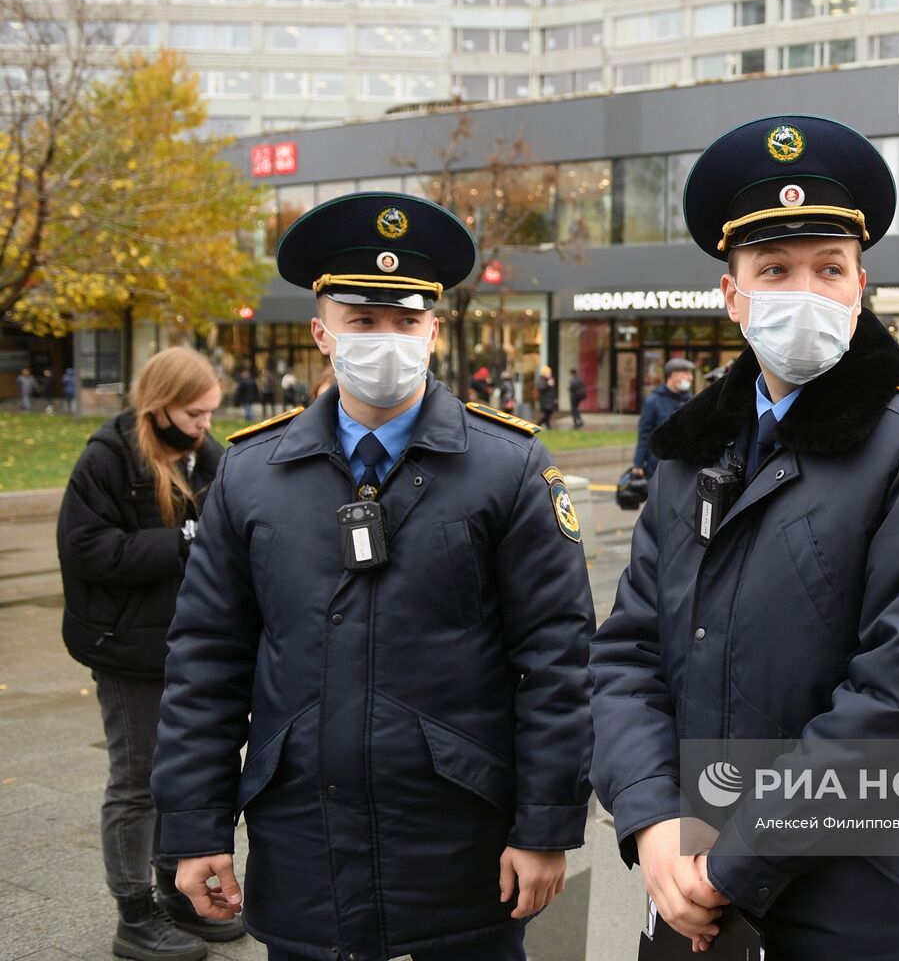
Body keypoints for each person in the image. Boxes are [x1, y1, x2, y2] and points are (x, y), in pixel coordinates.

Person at [589, 116, 899, 960]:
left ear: (861, 286)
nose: (805, 292)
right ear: (732, 293)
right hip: (692, 893)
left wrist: (735, 860)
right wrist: (653, 817)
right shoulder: (692, 451)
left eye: (829, 268)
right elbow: (628, 654)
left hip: (858, 904)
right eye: (774, 270)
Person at [151, 192, 595, 961]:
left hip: (462, 853)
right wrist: (195, 829)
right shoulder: (252, 474)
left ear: (434, 328)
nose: (385, 338)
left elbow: (557, 660)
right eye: (362, 320)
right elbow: (205, 664)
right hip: (303, 848)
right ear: (323, 331)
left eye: (405, 319)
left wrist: (546, 826)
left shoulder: (508, 465)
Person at [56, 346, 241, 960]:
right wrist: (178, 543)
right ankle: (132, 914)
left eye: (211, 412)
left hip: (187, 641)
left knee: (175, 776)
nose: (204, 425)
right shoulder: (108, 459)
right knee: (136, 783)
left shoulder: (209, 458)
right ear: (159, 407)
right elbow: (87, 548)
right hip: (127, 647)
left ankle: (172, 893)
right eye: (194, 414)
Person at [631, 358, 694, 480]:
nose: (690, 378)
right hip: (658, 467)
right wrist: (638, 463)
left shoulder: (690, 400)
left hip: (684, 466)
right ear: (674, 375)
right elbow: (644, 434)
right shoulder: (653, 401)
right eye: (687, 373)